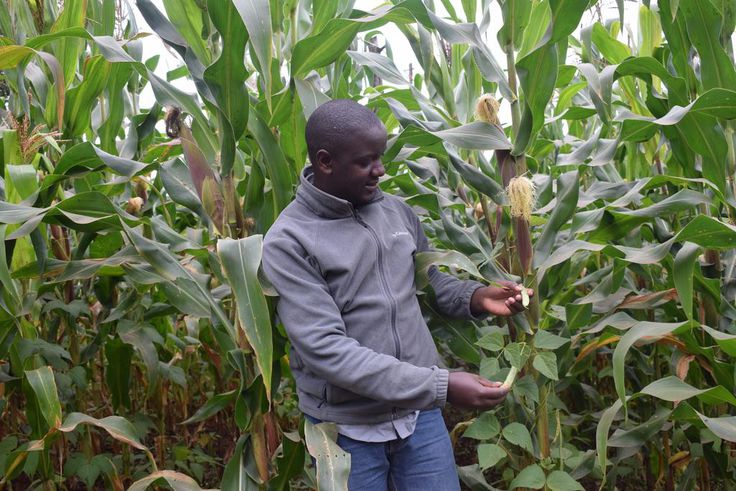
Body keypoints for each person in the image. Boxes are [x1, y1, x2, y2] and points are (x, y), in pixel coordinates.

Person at [262, 99, 532, 490]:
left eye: (381, 157)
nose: (380, 170)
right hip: (346, 430)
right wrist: (442, 386)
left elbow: (429, 282)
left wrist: (476, 297)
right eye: (366, 161)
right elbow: (326, 349)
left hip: (419, 419)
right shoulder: (289, 241)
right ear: (325, 162)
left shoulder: (396, 213)